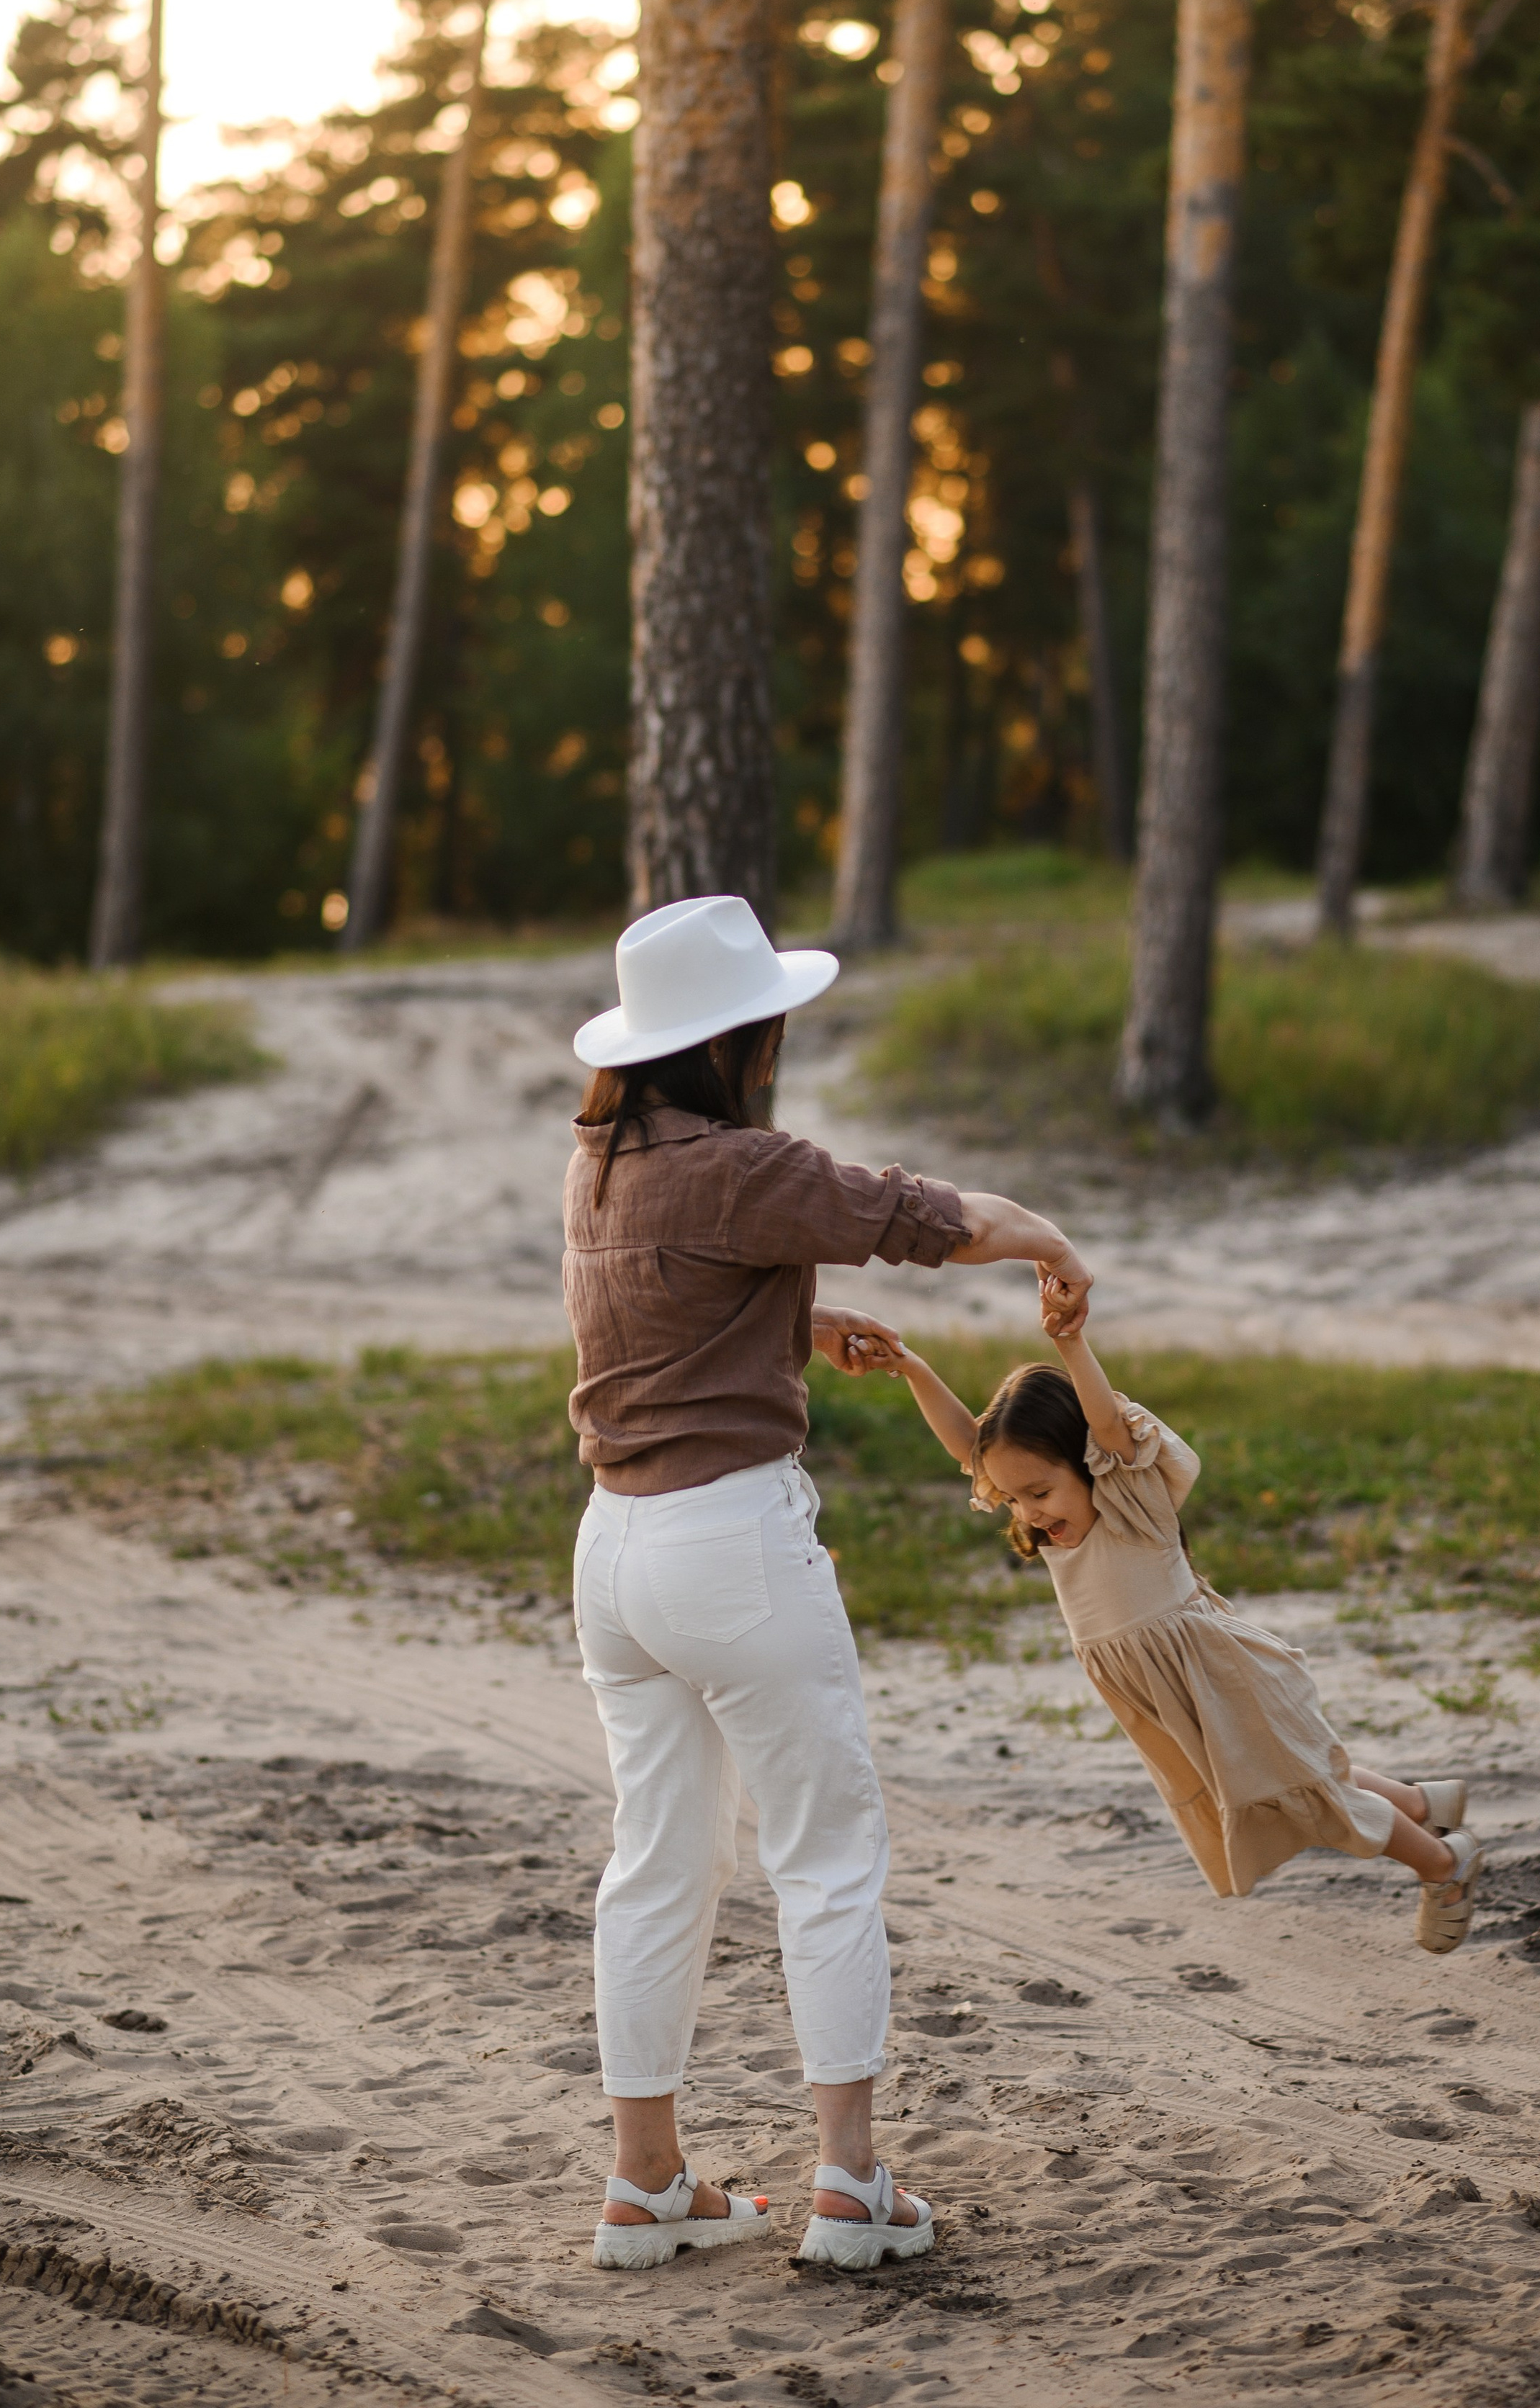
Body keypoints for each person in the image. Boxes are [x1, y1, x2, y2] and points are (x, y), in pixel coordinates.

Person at [563, 893, 1093, 2274]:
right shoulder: (745, 1162)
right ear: (740, 1036)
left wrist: (793, 1318)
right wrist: (1047, 1237)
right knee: (828, 1855)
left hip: (615, 1552)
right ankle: (850, 2182)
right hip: (733, 1543)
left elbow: (660, 1304)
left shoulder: (600, 1159)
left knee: (659, 1862)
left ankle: (647, 2183)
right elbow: (919, 1216)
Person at [849, 1299, 1485, 1951]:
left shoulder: (1128, 1502)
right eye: (1013, 1498)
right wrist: (915, 1370)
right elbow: (969, 1446)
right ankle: (1419, 1804)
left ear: (1089, 1462)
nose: (1027, 1511)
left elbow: (1105, 1424)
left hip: (1213, 1673)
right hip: (1160, 1694)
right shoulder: (1056, 1524)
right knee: (1285, 1776)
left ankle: (1444, 1863)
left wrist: (1070, 1341)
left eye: (1039, 1493)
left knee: (1304, 1787)